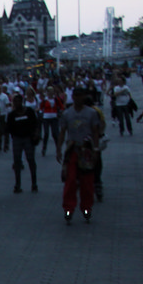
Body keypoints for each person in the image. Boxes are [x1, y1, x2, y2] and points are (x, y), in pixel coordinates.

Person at [55, 86, 101, 224]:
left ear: (84, 97)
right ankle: (68, 209)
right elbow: (62, 132)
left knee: (87, 182)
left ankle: (86, 208)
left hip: (86, 150)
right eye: (76, 96)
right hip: (72, 150)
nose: (78, 98)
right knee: (70, 180)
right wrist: (59, 148)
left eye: (81, 96)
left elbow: (95, 132)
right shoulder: (67, 114)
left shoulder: (92, 113)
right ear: (73, 97)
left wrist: (96, 149)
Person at [5, 93, 40, 193]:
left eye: (18, 101)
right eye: (15, 102)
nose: (16, 103)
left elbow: (35, 123)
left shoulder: (29, 111)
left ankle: (34, 183)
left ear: (22, 102)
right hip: (17, 139)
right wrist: (6, 142)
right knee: (17, 162)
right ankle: (17, 184)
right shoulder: (11, 115)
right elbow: (8, 128)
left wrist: (36, 134)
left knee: (31, 160)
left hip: (28, 138)